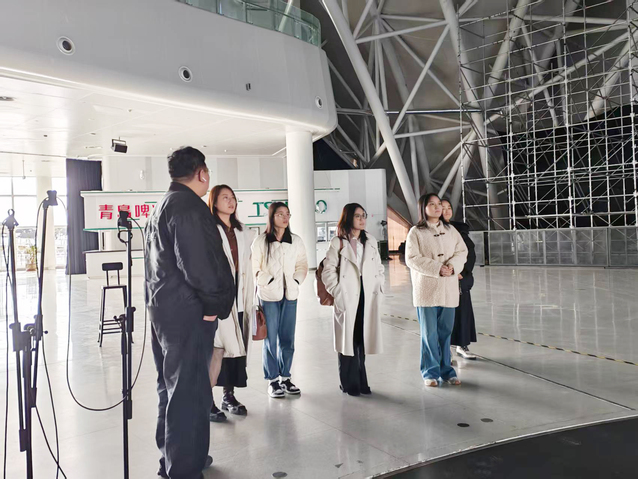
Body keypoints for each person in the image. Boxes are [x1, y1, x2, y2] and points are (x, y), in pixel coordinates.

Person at [145, 147, 235, 479]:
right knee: (188, 392)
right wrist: (212, 307)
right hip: (189, 316)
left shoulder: (164, 205)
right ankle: (183, 469)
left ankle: (177, 458)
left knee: (171, 388)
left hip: (164, 313)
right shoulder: (188, 207)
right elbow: (198, 265)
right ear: (201, 174)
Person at [321, 203, 385, 396]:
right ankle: (349, 383)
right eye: (357, 216)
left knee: (361, 339)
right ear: (348, 218)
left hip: (367, 294)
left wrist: (379, 285)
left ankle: (362, 381)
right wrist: (337, 292)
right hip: (348, 295)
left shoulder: (370, 240)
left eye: (363, 215)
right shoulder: (338, 242)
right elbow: (328, 271)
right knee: (347, 342)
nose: (362, 219)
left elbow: (379, 267)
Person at [405, 193, 468, 387]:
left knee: (446, 332)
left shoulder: (450, 230)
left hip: (448, 289)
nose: (437, 207)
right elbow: (412, 258)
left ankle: (447, 371)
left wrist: (452, 266)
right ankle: (430, 372)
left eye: (439, 203)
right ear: (423, 208)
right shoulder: (416, 232)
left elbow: (462, 251)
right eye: (431, 204)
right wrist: (437, 268)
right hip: (427, 290)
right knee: (429, 334)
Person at [207, 185, 256, 422]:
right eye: (225, 197)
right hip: (219, 296)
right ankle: (207, 401)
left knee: (236, 349)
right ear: (214, 202)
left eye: (233, 197)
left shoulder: (241, 230)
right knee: (217, 349)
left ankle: (229, 396)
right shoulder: (209, 229)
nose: (230, 201)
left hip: (240, 293)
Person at [251, 202, 308, 398]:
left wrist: (296, 280)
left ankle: (286, 377)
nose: (285, 217)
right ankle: (273, 380)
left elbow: (302, 264)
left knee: (288, 339)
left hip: (290, 295)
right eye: (280, 214)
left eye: (287, 214)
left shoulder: (295, 241)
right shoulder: (261, 241)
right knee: (271, 340)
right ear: (272, 217)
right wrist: (267, 280)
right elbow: (254, 267)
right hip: (269, 296)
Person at [441, 199, 477, 360]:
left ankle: (462, 345)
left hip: (460, 279)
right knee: (445, 315)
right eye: (443, 208)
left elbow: (469, 253)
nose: (446, 211)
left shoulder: (459, 230)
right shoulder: (434, 230)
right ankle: (445, 348)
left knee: (462, 312)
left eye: (449, 207)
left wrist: (462, 271)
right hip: (444, 277)